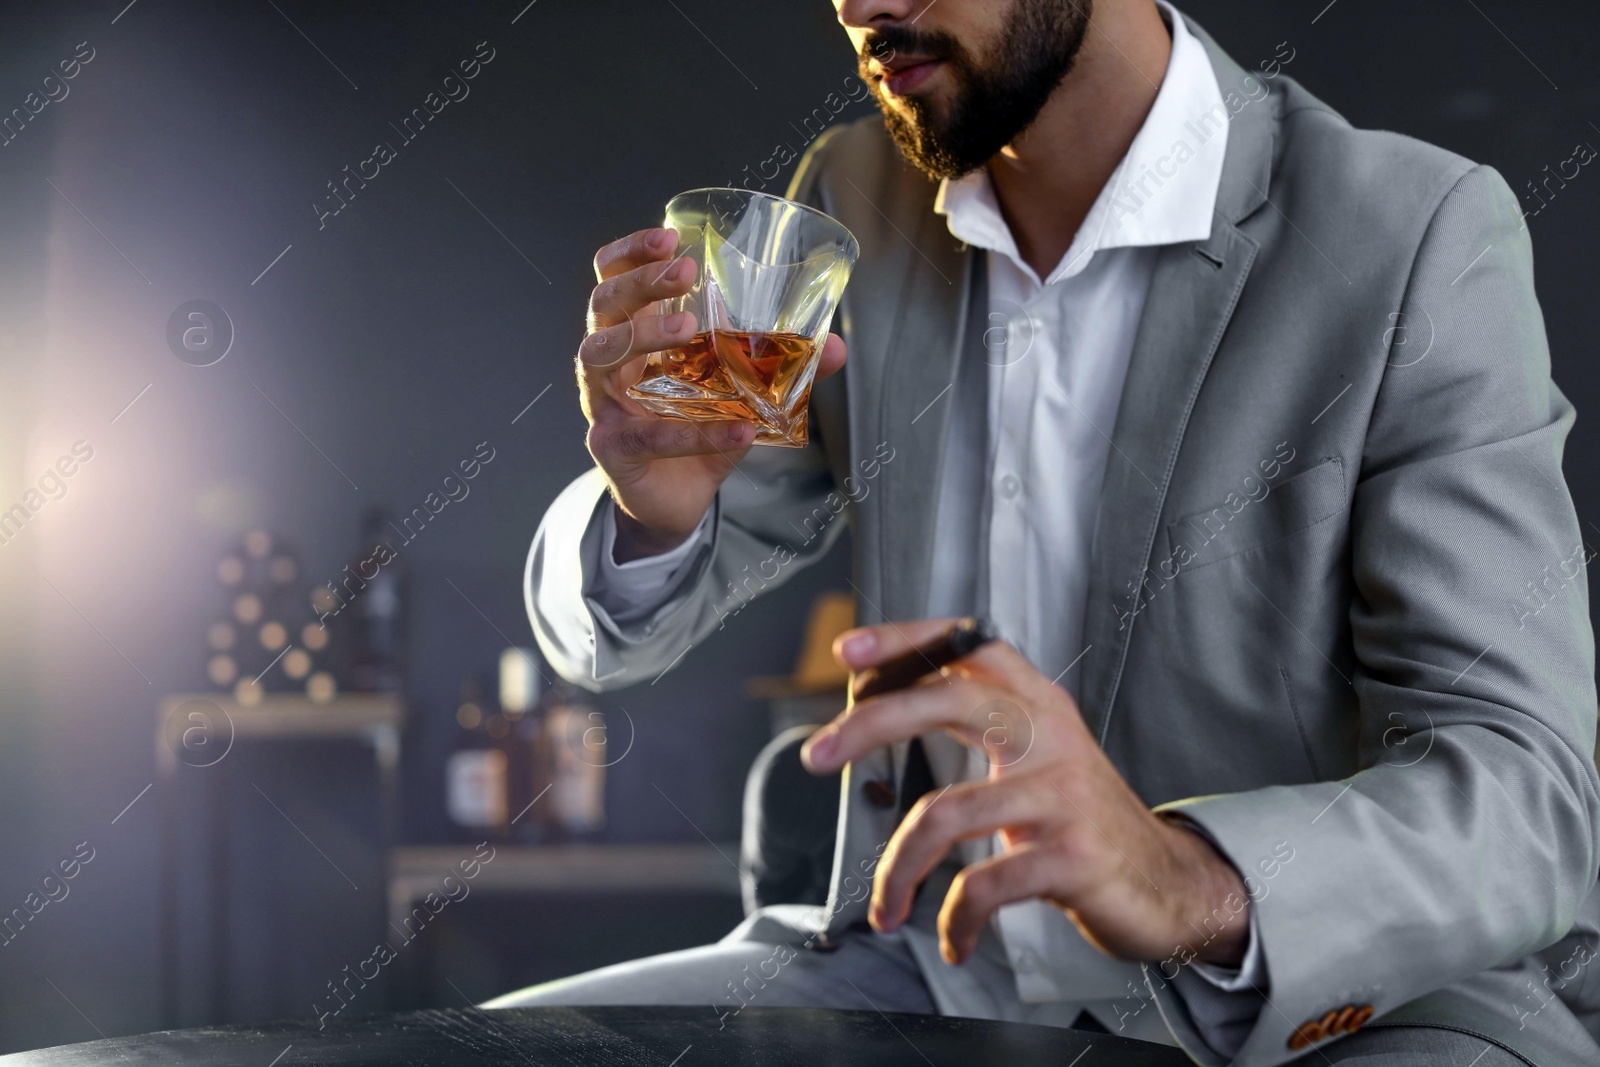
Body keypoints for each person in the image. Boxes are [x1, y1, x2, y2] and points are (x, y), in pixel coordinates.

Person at [496, 1, 1600, 1064]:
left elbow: (1525, 798)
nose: (860, 6)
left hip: (1349, 1007)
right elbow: (622, 631)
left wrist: (1178, 878)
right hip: (931, 969)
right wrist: (651, 505)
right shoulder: (853, 194)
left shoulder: (1412, 231)